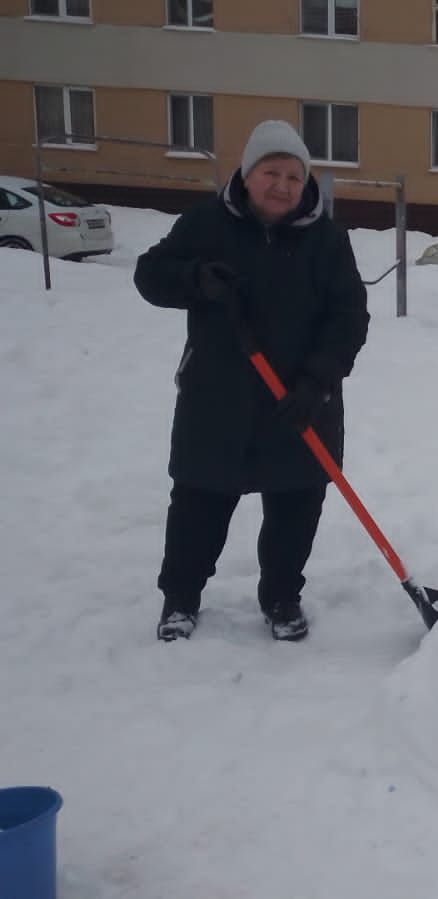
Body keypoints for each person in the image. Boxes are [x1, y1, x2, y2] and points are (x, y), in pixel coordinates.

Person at [134, 120, 370, 642]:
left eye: (293, 175)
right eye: (271, 171)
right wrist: (196, 279)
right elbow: (149, 276)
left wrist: (317, 382)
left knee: (297, 503)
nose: (283, 185)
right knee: (200, 500)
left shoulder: (326, 240)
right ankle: (180, 597)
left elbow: (349, 318)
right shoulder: (207, 225)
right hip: (218, 398)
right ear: (248, 172)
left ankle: (282, 597)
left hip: (301, 401)